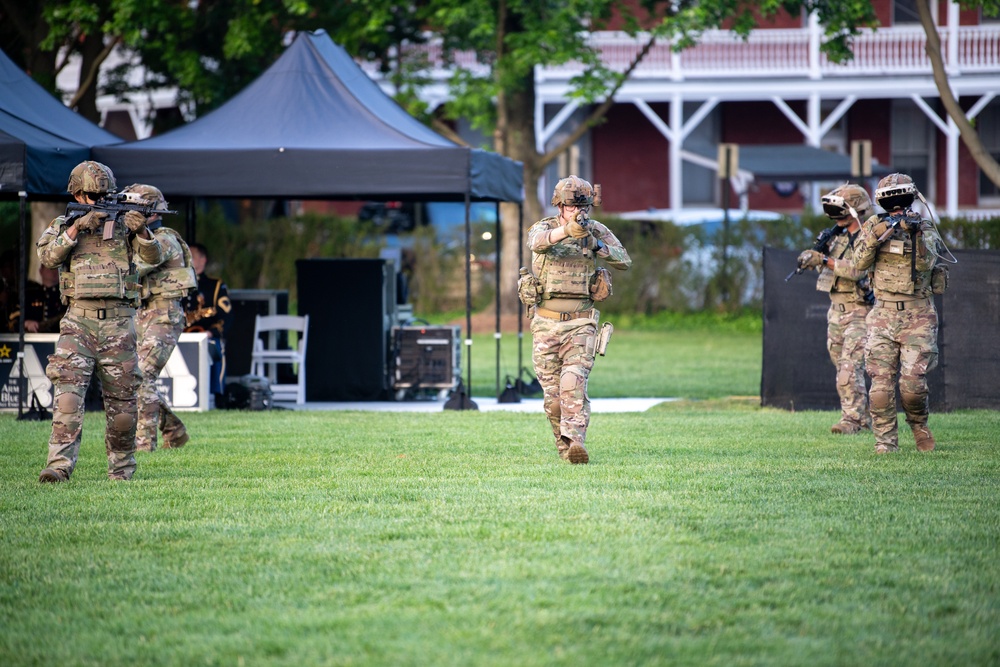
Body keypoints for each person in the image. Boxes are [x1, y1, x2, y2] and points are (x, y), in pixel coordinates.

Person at [36, 161, 162, 482]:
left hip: (118, 324)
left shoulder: (124, 226)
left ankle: (121, 470)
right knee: (68, 396)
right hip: (78, 321)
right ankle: (58, 467)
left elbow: (154, 257)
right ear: (77, 195)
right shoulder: (65, 223)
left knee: (122, 405)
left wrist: (142, 230)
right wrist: (77, 228)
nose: (100, 202)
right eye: (93, 196)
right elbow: (48, 258)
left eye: (104, 195)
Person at [522, 176, 631, 464]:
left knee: (573, 381)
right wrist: (566, 232)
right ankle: (564, 446)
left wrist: (594, 243)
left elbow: (623, 259)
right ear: (559, 205)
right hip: (545, 322)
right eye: (570, 207)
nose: (576, 212)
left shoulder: (594, 230)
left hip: (581, 323)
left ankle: (576, 443)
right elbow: (536, 243)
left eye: (581, 206)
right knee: (553, 399)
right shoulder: (545, 227)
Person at [853, 173, 944, 454]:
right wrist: (884, 232)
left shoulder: (924, 226)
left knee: (912, 385)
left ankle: (919, 427)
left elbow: (926, 264)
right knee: (879, 386)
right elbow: (859, 262)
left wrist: (914, 233)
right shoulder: (874, 225)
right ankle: (885, 441)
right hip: (882, 316)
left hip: (917, 315)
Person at [796, 183, 874, 435]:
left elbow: (857, 270)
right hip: (836, 311)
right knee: (842, 366)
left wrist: (826, 260)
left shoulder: (868, 237)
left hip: (859, 311)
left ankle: (850, 421)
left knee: (850, 368)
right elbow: (828, 268)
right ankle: (861, 418)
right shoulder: (835, 237)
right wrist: (813, 258)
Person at [127, 184, 198, 451]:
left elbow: (135, 268)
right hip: (142, 313)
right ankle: (174, 429)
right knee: (134, 377)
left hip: (164, 314)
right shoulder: (137, 238)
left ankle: (144, 445)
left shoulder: (164, 239)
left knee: (143, 377)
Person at [183, 242, 232, 406]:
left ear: (203, 260)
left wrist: (211, 332)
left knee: (216, 346)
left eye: (193, 255)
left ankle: (218, 396)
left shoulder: (215, 285)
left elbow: (226, 316)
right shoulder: (178, 284)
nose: (188, 258)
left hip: (205, 336)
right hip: (179, 336)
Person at [8, 265, 65, 333]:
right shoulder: (30, 294)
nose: (54, 271)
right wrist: (26, 323)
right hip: (33, 340)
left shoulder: (67, 295)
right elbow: (13, 319)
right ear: (41, 270)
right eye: (51, 268)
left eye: (57, 268)